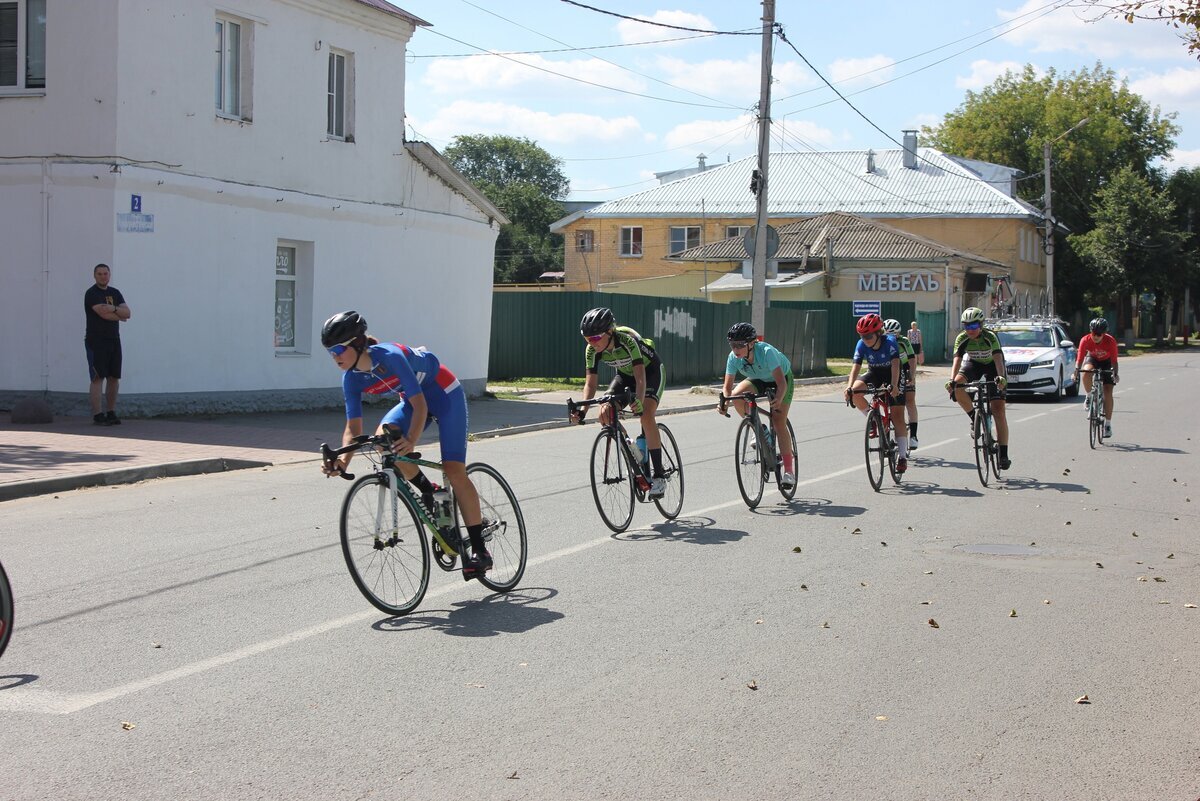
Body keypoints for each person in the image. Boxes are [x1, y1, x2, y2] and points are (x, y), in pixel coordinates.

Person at [319, 311, 492, 579]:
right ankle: (430, 491)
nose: (335, 357)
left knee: (454, 469)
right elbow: (353, 429)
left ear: (357, 343)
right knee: (383, 441)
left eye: (339, 349)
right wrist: (343, 461)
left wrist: (411, 440)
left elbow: (421, 405)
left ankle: (480, 551)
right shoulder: (351, 378)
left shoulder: (390, 357)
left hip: (445, 394)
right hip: (411, 401)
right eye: (330, 352)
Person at [570, 307, 668, 499]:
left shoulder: (627, 342)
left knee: (646, 415)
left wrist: (639, 402)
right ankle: (633, 451)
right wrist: (582, 411)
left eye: (595, 338)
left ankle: (659, 475)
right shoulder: (592, 350)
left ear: (609, 332)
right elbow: (590, 383)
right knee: (604, 414)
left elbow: (640, 379)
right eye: (587, 339)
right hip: (624, 376)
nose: (591, 343)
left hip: (651, 373)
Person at [718, 322, 796, 490]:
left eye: (740, 345)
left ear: (752, 344)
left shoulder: (767, 353)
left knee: (778, 420)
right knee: (737, 397)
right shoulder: (733, 357)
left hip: (781, 380)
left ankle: (789, 471)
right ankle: (759, 429)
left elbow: (782, 383)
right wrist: (724, 402)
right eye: (732, 345)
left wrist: (778, 399)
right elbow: (727, 388)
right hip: (758, 379)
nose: (736, 349)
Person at [844, 313, 910, 473]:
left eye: (868, 335)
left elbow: (896, 365)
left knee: (897, 416)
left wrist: (894, 385)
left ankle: (902, 457)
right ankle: (874, 420)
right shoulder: (861, 344)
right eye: (862, 335)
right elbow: (856, 367)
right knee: (855, 393)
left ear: (878, 333)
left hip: (893, 374)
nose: (865, 339)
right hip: (875, 372)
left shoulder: (890, 342)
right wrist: (849, 387)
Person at [947, 307, 1012, 470]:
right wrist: (951, 382)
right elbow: (957, 361)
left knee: (998, 410)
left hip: (993, 367)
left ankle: (1003, 454)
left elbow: (998, 359)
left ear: (981, 325)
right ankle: (974, 417)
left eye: (974, 326)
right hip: (974, 364)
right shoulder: (962, 338)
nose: (970, 330)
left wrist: (1001, 378)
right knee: (958, 385)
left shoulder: (990, 336)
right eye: (967, 326)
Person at [84, 263, 131, 425]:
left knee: (114, 377)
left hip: (114, 340)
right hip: (96, 340)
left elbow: (128, 312)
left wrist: (112, 308)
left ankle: (111, 411)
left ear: (109, 275)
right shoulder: (92, 293)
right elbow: (103, 314)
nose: (103, 276)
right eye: (100, 274)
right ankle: (98, 414)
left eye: (105, 273)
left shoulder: (115, 293)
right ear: (94, 276)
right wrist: (119, 314)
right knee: (98, 377)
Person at [1075, 317, 1119, 438]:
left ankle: (1108, 425)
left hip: (1107, 362)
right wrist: (1076, 371)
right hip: (1092, 358)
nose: (1096, 336)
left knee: (1108, 391)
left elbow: (1114, 361)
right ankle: (1089, 397)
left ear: (1104, 334)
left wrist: (1115, 374)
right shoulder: (1085, 340)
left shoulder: (1110, 341)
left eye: (1099, 334)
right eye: (1094, 333)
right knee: (1086, 371)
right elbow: (1079, 358)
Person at [884, 318, 919, 451]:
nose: (891, 338)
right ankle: (886, 436)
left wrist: (912, 376)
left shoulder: (904, 341)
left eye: (893, 335)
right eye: (887, 335)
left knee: (910, 400)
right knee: (886, 401)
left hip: (904, 368)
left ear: (898, 334)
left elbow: (912, 359)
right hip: (889, 370)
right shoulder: (883, 342)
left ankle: (913, 436)